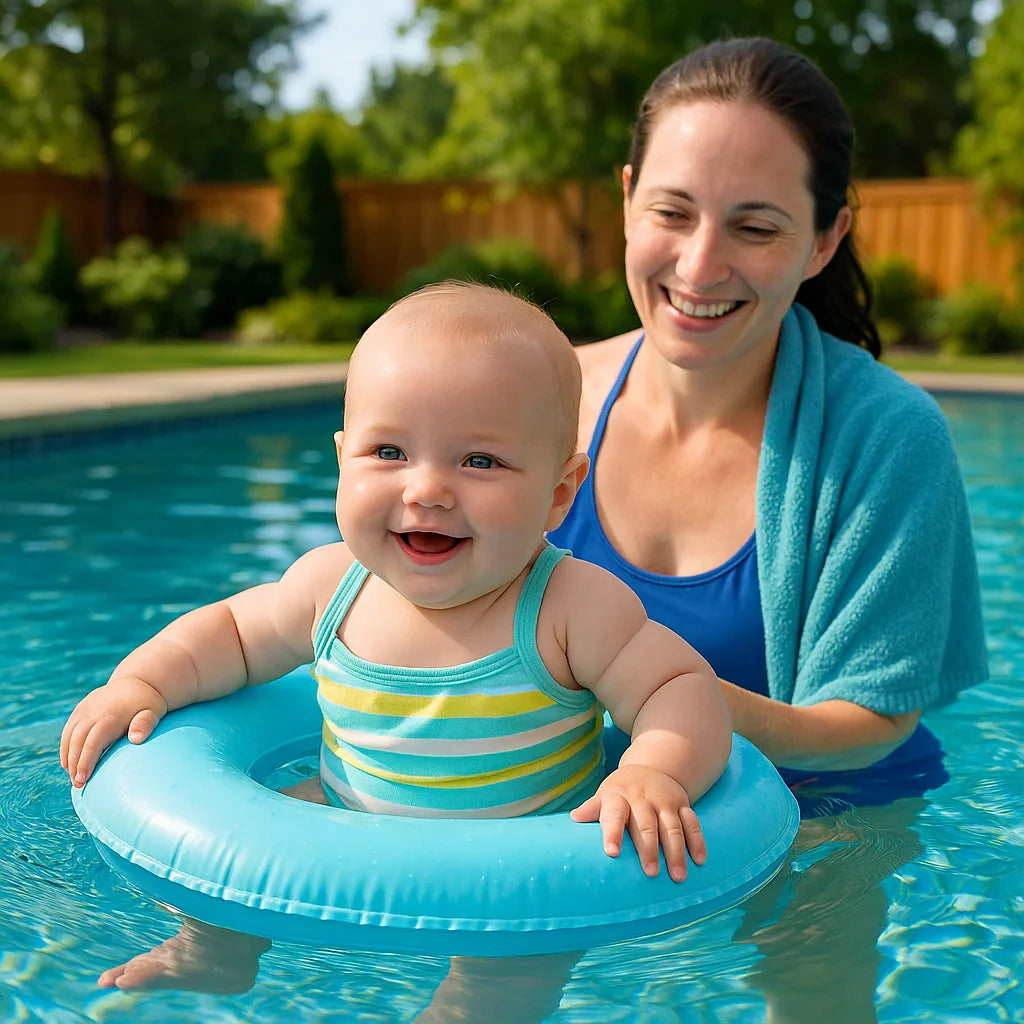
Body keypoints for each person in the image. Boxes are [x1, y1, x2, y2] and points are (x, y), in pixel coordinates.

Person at [59, 281, 732, 1007]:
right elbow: (225, 635)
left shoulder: (569, 607)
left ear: (560, 492)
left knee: (506, 983)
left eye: (480, 462)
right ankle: (217, 953)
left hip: (516, 878)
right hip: (349, 823)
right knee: (231, 867)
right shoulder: (330, 588)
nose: (428, 490)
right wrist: (141, 684)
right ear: (343, 459)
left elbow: (676, 688)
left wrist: (656, 772)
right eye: (389, 451)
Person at [537, 35, 988, 1024]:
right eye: (671, 211)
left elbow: (869, 725)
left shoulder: (884, 437)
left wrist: (663, 703)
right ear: (626, 198)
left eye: (754, 226)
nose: (700, 264)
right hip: (591, 799)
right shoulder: (544, 397)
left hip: (825, 813)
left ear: (824, 239)